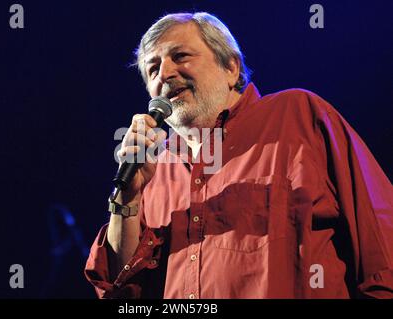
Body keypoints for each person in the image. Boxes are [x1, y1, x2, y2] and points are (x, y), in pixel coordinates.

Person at [84, 12, 393, 298]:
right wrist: (127, 199)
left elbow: (381, 244)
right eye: (152, 68)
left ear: (230, 67)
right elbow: (120, 288)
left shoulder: (299, 116)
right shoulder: (152, 169)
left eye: (180, 56)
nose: (164, 73)